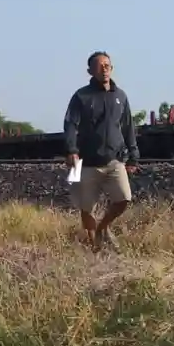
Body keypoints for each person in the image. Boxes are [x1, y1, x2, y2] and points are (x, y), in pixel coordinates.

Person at [63, 51, 139, 251]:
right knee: (86, 208)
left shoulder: (120, 96)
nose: (104, 68)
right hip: (85, 162)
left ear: (111, 68)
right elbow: (71, 124)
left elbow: (128, 126)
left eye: (107, 65)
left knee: (124, 199)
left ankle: (102, 229)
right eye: (99, 66)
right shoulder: (81, 96)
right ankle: (93, 246)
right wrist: (71, 149)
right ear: (90, 71)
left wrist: (134, 155)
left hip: (114, 160)